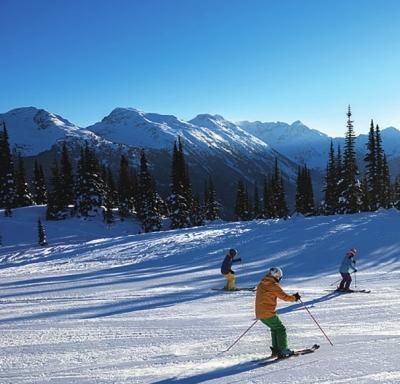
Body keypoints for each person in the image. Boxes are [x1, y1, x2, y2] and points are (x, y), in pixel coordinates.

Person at [255, 267, 300, 358]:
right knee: (281, 329)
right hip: (267, 313)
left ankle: (276, 350)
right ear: (276, 276)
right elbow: (284, 297)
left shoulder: (262, 283)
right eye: (279, 277)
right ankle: (283, 350)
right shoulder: (273, 285)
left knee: (275, 328)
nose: (279, 279)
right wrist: (294, 298)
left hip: (260, 313)